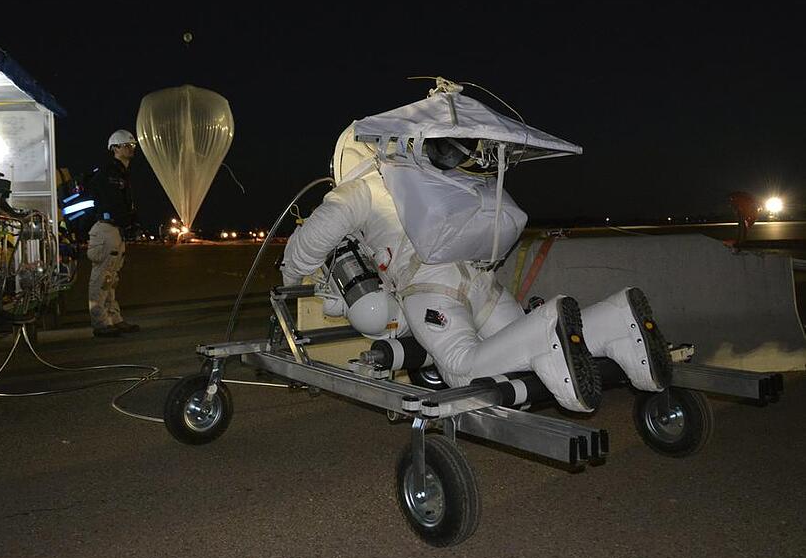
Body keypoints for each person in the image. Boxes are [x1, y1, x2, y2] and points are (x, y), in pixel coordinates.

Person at [280, 125, 672, 412]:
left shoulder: (359, 191)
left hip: (432, 289)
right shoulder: (428, 179)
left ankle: (549, 326)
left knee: (462, 370)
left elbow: (309, 243)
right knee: (515, 351)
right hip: (482, 281)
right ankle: (617, 322)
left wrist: (290, 277)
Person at [86, 129, 142, 338]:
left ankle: (114, 319)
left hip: (115, 230)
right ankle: (100, 322)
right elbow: (113, 203)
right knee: (102, 278)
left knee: (111, 278)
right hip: (106, 229)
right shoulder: (109, 174)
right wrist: (127, 221)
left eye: (132, 146)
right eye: (127, 145)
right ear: (115, 148)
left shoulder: (120, 174)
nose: (131, 149)